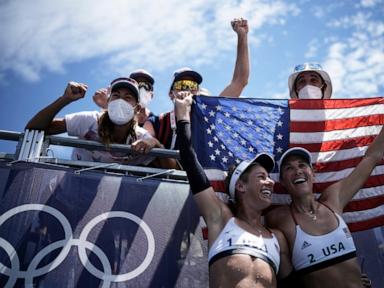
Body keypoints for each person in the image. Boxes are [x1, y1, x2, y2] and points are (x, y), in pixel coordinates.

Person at [174, 92, 292, 287]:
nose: (270, 182)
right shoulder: (220, 218)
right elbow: (188, 158)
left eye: (269, 178)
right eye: (262, 177)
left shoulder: (278, 238)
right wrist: (182, 114)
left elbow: (293, 283)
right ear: (240, 186)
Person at [266, 123, 384, 287]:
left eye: (302, 165)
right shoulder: (278, 218)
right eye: (289, 168)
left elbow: (372, 157)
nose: (298, 171)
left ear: (313, 173)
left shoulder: (333, 201)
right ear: (282, 181)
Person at [144, 17, 250, 151]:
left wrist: (242, 35)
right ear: (171, 94)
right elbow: (146, 139)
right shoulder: (157, 122)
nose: (188, 89)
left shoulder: (211, 113)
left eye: (193, 85)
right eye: (182, 85)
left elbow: (240, 80)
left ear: (198, 91)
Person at [25, 77, 173, 167]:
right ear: (108, 102)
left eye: (128, 97)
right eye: (116, 95)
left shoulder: (142, 138)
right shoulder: (89, 120)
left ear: (137, 108)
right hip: (67, 193)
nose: (121, 100)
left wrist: (156, 144)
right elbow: (33, 127)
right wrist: (65, 99)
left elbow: (175, 170)